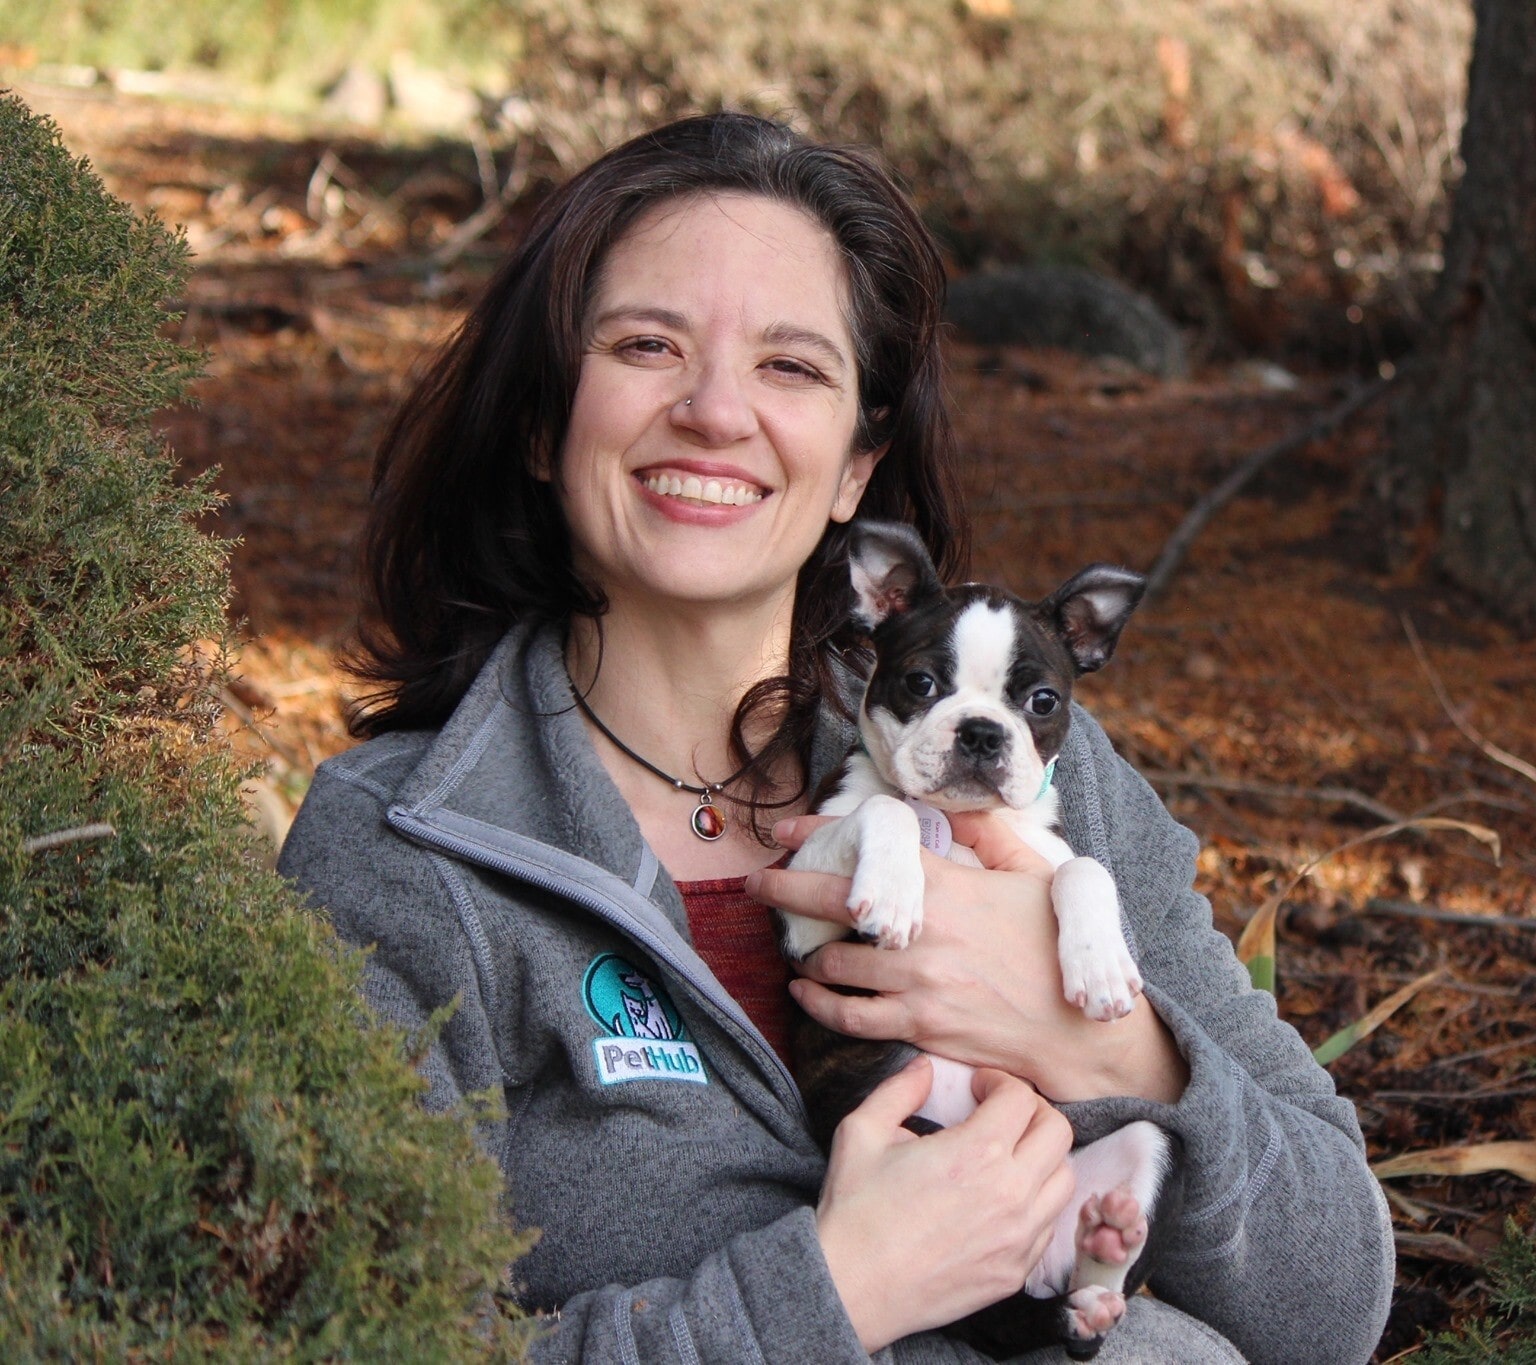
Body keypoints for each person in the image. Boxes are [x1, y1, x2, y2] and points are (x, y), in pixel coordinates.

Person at [278, 111, 1394, 1363]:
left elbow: (1331, 1307)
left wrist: (1095, 1037)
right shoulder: (410, 852)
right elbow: (355, 1338)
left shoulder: (1057, 794)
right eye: (647, 344)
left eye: (791, 367)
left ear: (858, 465)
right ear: (543, 423)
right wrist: (839, 1287)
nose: (713, 411)